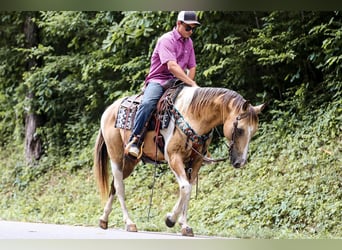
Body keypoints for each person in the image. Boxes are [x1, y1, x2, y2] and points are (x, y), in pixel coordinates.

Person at [126, 11, 201, 158]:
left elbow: (192, 67)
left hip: (179, 81)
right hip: (159, 80)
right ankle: (134, 140)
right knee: (148, 104)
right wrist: (192, 83)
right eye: (188, 28)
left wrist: (191, 86)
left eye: (193, 28)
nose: (191, 31)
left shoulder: (189, 42)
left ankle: (198, 145)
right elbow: (172, 66)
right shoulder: (166, 39)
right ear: (179, 24)